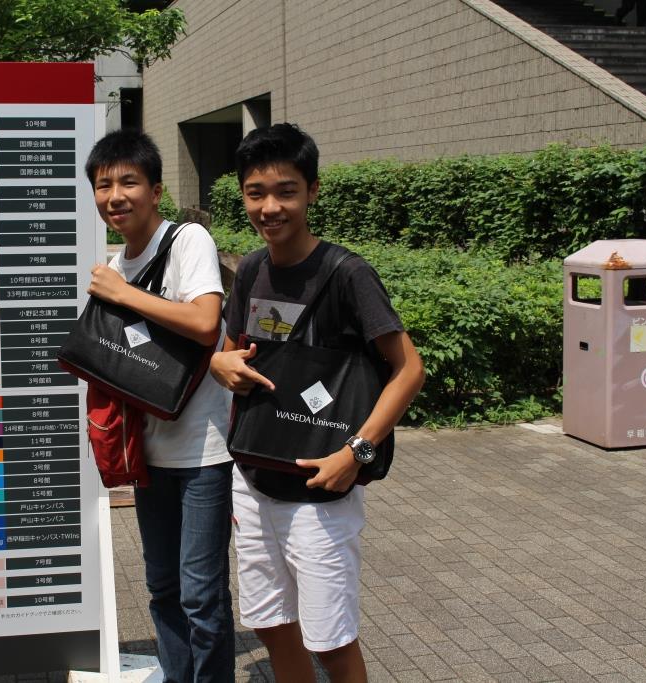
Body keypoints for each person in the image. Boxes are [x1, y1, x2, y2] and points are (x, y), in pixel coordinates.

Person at [210, 123, 425, 683]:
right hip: (254, 477)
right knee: (272, 624)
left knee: (330, 639)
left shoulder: (348, 274)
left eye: (286, 191)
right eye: (256, 193)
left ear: (313, 191)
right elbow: (232, 352)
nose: (270, 207)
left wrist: (356, 453)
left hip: (321, 487)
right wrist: (220, 365)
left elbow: (409, 369)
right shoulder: (251, 269)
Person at [84, 129, 234, 682]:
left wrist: (122, 294)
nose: (115, 196)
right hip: (148, 452)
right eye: (103, 185)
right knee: (163, 587)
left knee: (201, 594)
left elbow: (205, 321)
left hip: (203, 450)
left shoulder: (188, 240)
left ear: (156, 190)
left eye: (128, 182)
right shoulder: (115, 265)